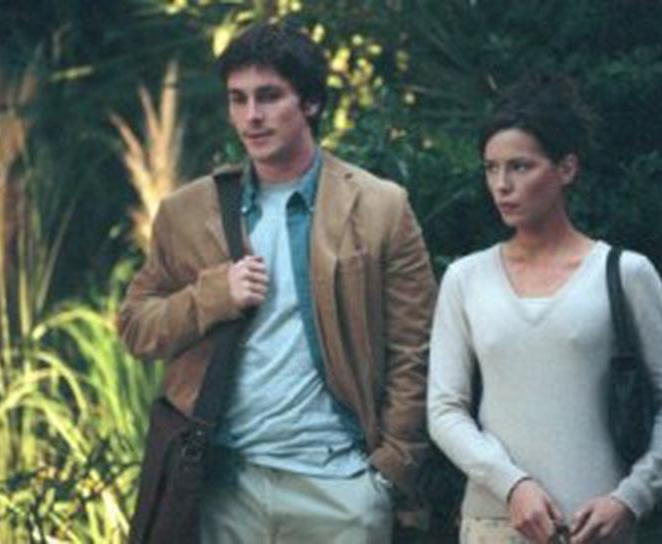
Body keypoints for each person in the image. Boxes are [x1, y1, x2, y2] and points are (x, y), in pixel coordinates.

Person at [118, 22, 436, 543]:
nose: (252, 116)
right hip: (225, 485)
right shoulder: (187, 211)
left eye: (268, 97)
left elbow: (413, 350)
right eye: (237, 99)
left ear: (310, 102)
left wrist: (388, 472)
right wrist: (211, 297)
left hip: (341, 487)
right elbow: (136, 327)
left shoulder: (380, 207)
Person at [427, 73, 662, 544]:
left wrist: (632, 497)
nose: (502, 185)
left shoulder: (625, 273)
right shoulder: (465, 278)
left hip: (595, 524)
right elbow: (444, 410)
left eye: (520, 167)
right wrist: (513, 485)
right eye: (491, 168)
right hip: (494, 525)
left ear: (566, 168)